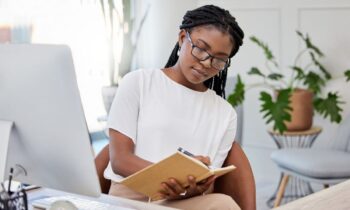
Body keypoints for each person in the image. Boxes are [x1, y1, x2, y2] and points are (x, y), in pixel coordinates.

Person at [105, 4, 245, 210]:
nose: (207, 63)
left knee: (223, 204)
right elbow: (120, 160)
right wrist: (169, 177)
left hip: (181, 203)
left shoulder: (225, 114)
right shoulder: (139, 82)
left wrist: (192, 186)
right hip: (129, 200)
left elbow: (207, 184)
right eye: (200, 49)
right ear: (182, 38)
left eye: (219, 60)